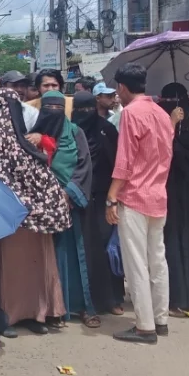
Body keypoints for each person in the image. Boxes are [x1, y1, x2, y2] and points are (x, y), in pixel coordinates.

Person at [0, 87, 70, 337]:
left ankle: (5, 315)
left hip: (5, 216)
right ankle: (36, 314)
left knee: (5, 268)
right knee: (32, 268)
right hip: (33, 216)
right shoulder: (22, 137)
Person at [105, 64, 174, 344]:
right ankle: (161, 319)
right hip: (158, 193)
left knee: (136, 262)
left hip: (134, 195)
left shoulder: (130, 113)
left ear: (122, 87)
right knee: (157, 260)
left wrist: (111, 197)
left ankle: (144, 326)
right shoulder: (160, 112)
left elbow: (124, 162)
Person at [26, 91, 98, 328]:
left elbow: (84, 165)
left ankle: (80, 307)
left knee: (74, 258)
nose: (53, 114)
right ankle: (48, 310)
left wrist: (68, 193)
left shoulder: (75, 132)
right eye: (49, 109)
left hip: (69, 204)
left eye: (58, 109)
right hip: (41, 208)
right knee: (43, 258)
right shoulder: (32, 136)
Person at [70, 91, 124, 315]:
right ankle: (85, 300)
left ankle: (114, 298)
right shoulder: (69, 131)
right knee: (84, 249)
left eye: (88, 109)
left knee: (106, 248)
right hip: (77, 198)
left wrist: (114, 197)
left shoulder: (106, 129)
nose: (84, 114)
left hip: (103, 197)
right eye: (80, 110)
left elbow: (118, 162)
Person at [158, 83, 189, 318]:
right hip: (165, 192)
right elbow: (157, 152)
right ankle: (174, 299)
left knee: (188, 243)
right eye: (170, 100)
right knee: (170, 245)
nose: (177, 106)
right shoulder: (161, 125)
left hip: (188, 194)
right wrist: (170, 125)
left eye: (180, 100)